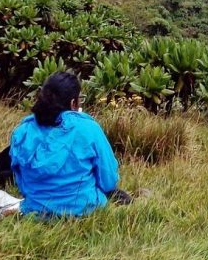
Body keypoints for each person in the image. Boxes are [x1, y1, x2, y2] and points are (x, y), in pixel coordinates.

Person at [9, 71, 125, 217]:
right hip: (85, 209)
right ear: (73, 103)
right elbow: (108, 181)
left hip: (34, 211)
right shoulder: (89, 128)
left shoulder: (22, 131)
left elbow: (21, 180)